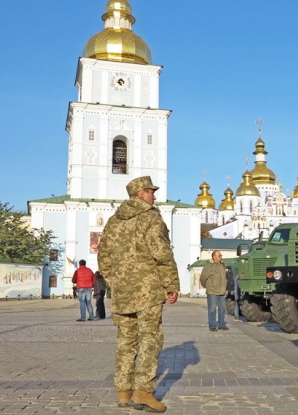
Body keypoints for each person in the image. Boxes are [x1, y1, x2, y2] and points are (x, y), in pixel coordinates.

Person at [98, 176, 180, 413]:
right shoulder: (151, 218)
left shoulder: (113, 221)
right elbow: (162, 254)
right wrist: (170, 285)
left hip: (122, 293)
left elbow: (103, 258)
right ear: (142, 193)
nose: (154, 196)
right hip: (148, 291)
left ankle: (124, 392)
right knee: (149, 340)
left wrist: (118, 283)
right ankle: (143, 392)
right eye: (151, 192)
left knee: (125, 341)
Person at [200, 250, 229, 331]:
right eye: (219, 255)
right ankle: (212, 326)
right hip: (212, 292)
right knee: (212, 309)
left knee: (222, 309)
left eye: (221, 255)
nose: (221, 257)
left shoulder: (222, 265)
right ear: (214, 257)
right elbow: (203, 277)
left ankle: (221, 325)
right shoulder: (209, 266)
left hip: (222, 291)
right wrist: (206, 286)